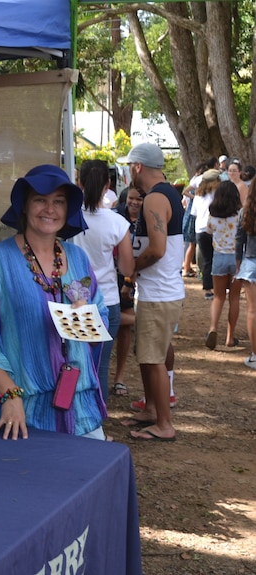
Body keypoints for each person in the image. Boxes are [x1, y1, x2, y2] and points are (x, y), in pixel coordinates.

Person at [0, 164, 108, 440]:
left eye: (58, 202)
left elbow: (102, 319)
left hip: (79, 405)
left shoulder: (78, 259)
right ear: (24, 206)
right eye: (40, 200)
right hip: (22, 409)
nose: (50, 209)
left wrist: (87, 320)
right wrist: (9, 394)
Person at [123, 143, 184, 442]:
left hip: (160, 292)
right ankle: (151, 410)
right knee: (148, 356)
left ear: (137, 167)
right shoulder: (167, 193)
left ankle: (164, 424)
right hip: (160, 290)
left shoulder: (154, 199)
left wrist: (132, 267)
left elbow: (157, 249)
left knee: (153, 358)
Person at [72, 160, 134, 403]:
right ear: (108, 185)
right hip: (107, 300)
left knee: (72, 364)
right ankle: (96, 427)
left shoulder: (68, 218)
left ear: (80, 183)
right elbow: (127, 267)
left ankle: (69, 420)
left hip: (72, 300)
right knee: (99, 367)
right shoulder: (118, 222)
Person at [111, 186, 144, 395]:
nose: (134, 203)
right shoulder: (115, 217)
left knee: (124, 329)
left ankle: (119, 378)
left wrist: (130, 281)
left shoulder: (148, 221)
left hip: (130, 276)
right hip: (109, 274)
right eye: (131, 198)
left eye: (139, 199)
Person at [204, 180, 243, 349]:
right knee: (234, 298)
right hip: (236, 259)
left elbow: (208, 231)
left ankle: (213, 328)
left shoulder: (213, 215)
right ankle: (230, 337)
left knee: (218, 297)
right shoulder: (240, 214)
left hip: (219, 257)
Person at [192, 169, 223, 299]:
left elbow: (194, 213)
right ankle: (218, 287)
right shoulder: (218, 194)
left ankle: (208, 288)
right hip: (214, 229)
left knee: (206, 260)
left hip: (200, 229)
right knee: (216, 259)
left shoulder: (198, 195)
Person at [235, 188, 256, 368]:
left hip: (250, 262)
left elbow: (239, 240)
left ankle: (255, 355)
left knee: (252, 311)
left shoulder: (245, 211)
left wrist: (238, 263)